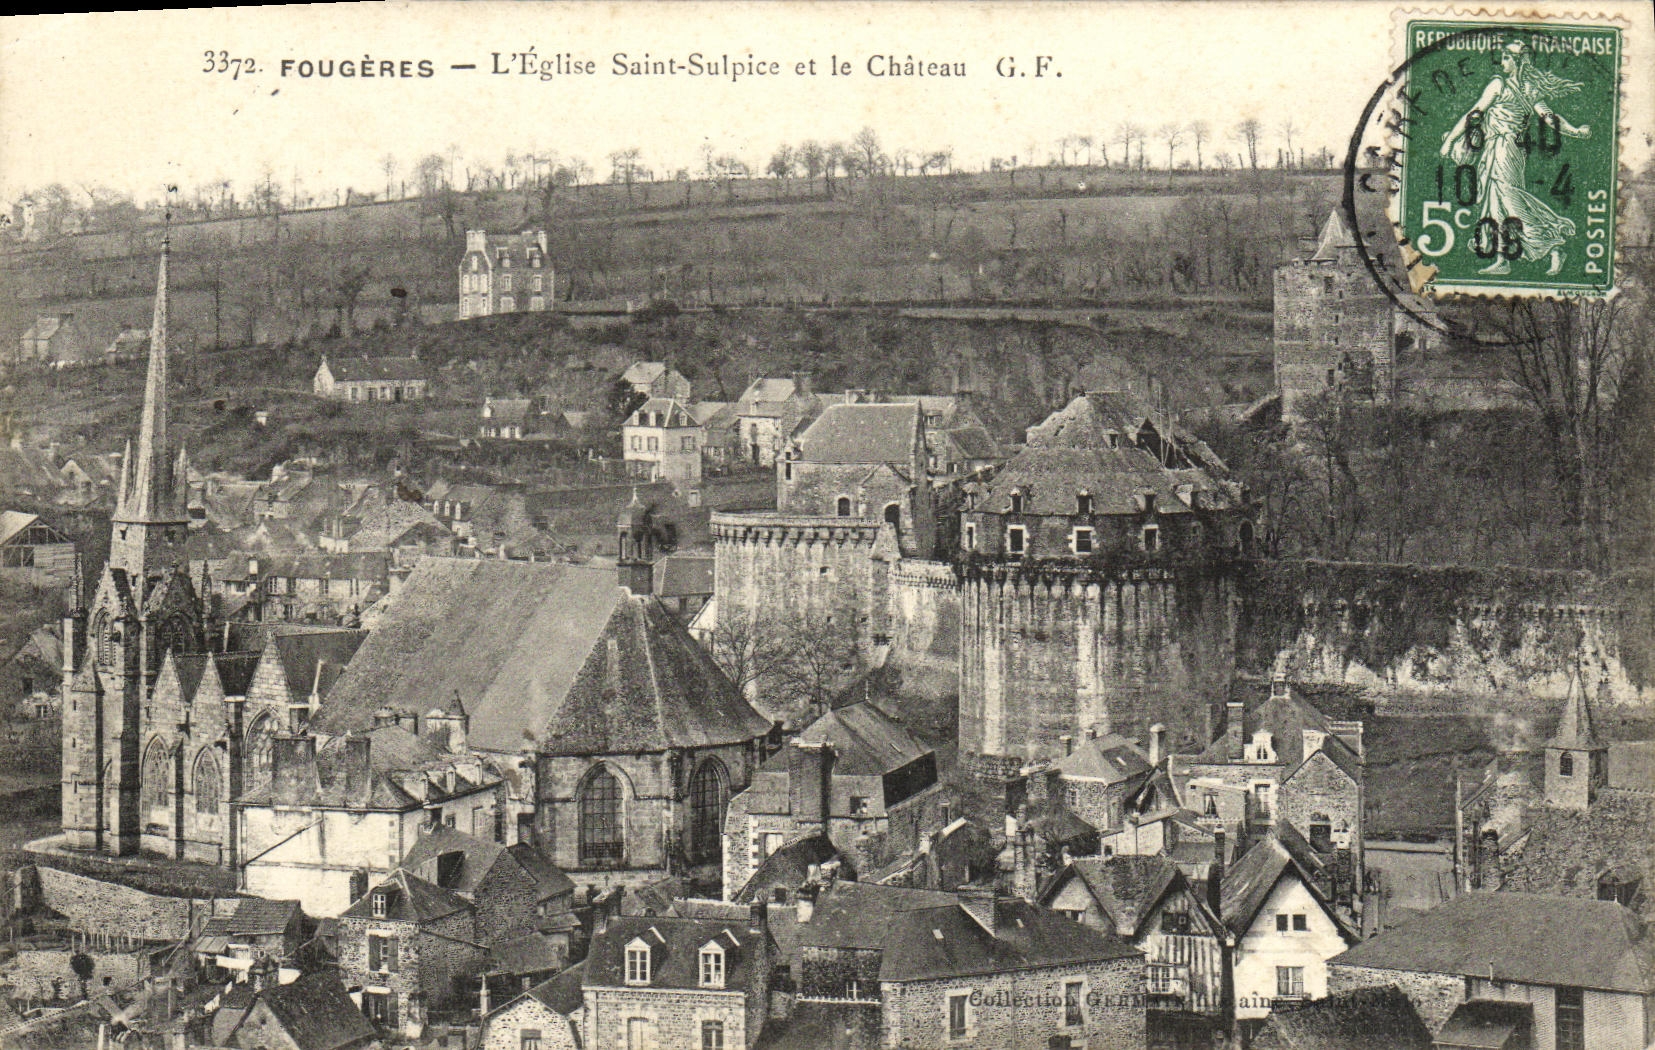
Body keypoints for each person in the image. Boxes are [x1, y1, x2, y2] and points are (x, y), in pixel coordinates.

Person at [1439, 39, 1591, 275]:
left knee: (1510, 202)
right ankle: (1502, 259)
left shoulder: (1502, 85)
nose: (1502, 63)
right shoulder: (1522, 88)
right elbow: (1548, 118)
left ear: (1519, 61)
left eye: (1507, 58)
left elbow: (1548, 118)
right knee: (1496, 203)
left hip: (1505, 149)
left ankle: (1553, 247)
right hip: (1503, 149)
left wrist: (1449, 141)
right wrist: (1575, 132)